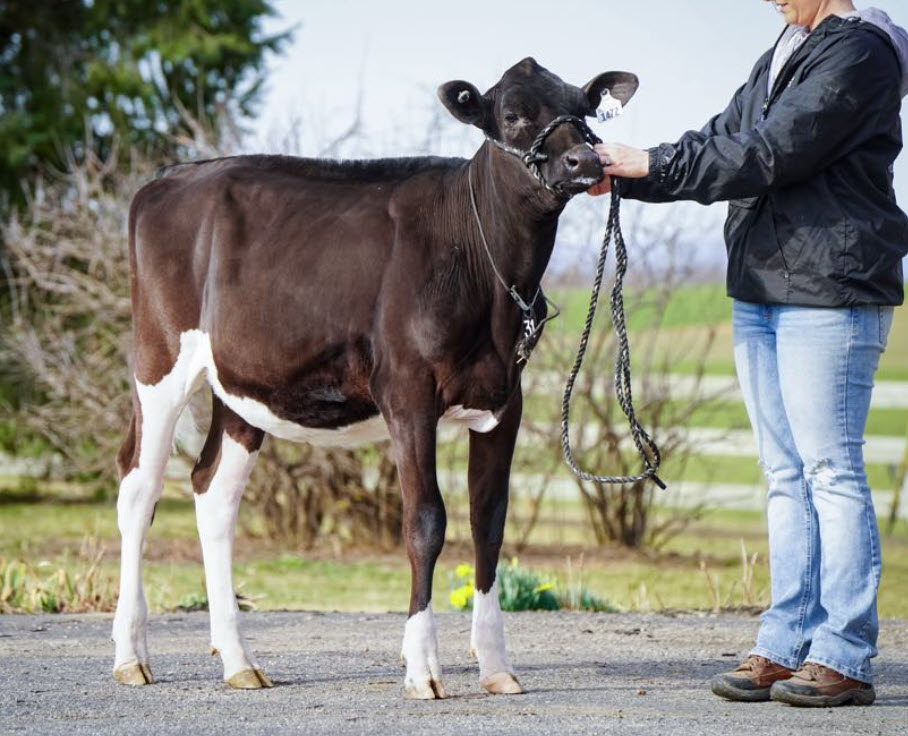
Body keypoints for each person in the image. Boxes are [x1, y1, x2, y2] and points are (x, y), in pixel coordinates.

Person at [589, 0, 908, 707]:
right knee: (785, 474)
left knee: (830, 472)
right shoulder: (783, 53)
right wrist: (629, 176)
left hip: (828, 288)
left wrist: (653, 162)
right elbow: (723, 139)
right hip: (761, 283)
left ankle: (844, 653)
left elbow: (771, 151)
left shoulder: (858, 54)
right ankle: (785, 643)